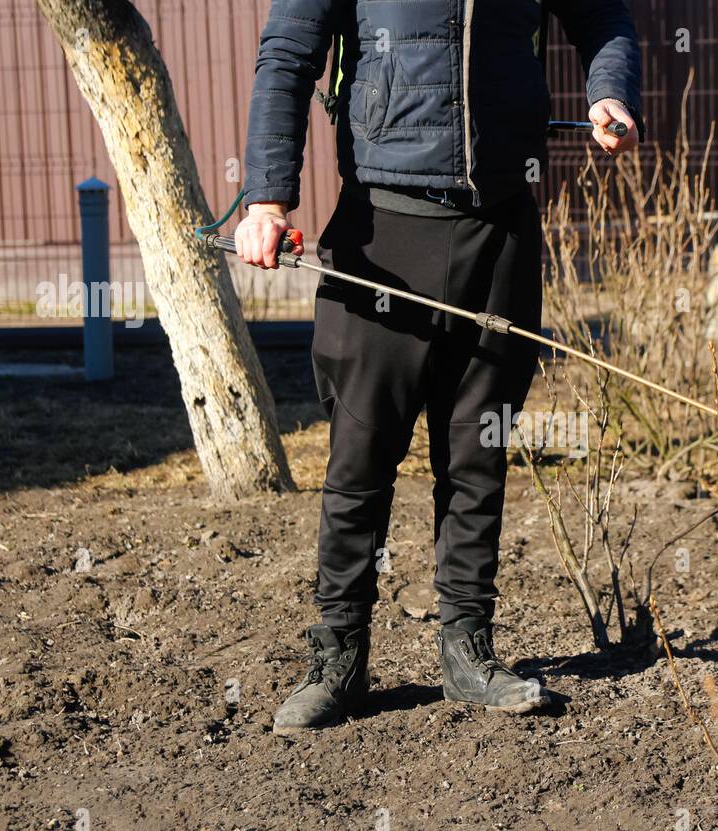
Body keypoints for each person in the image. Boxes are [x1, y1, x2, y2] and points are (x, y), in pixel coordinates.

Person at [236, 0, 643, 735]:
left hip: (501, 230)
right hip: (383, 231)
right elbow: (289, 55)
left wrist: (608, 89)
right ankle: (339, 657)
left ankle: (468, 650)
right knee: (359, 456)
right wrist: (267, 197)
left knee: (478, 452)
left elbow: (602, 16)